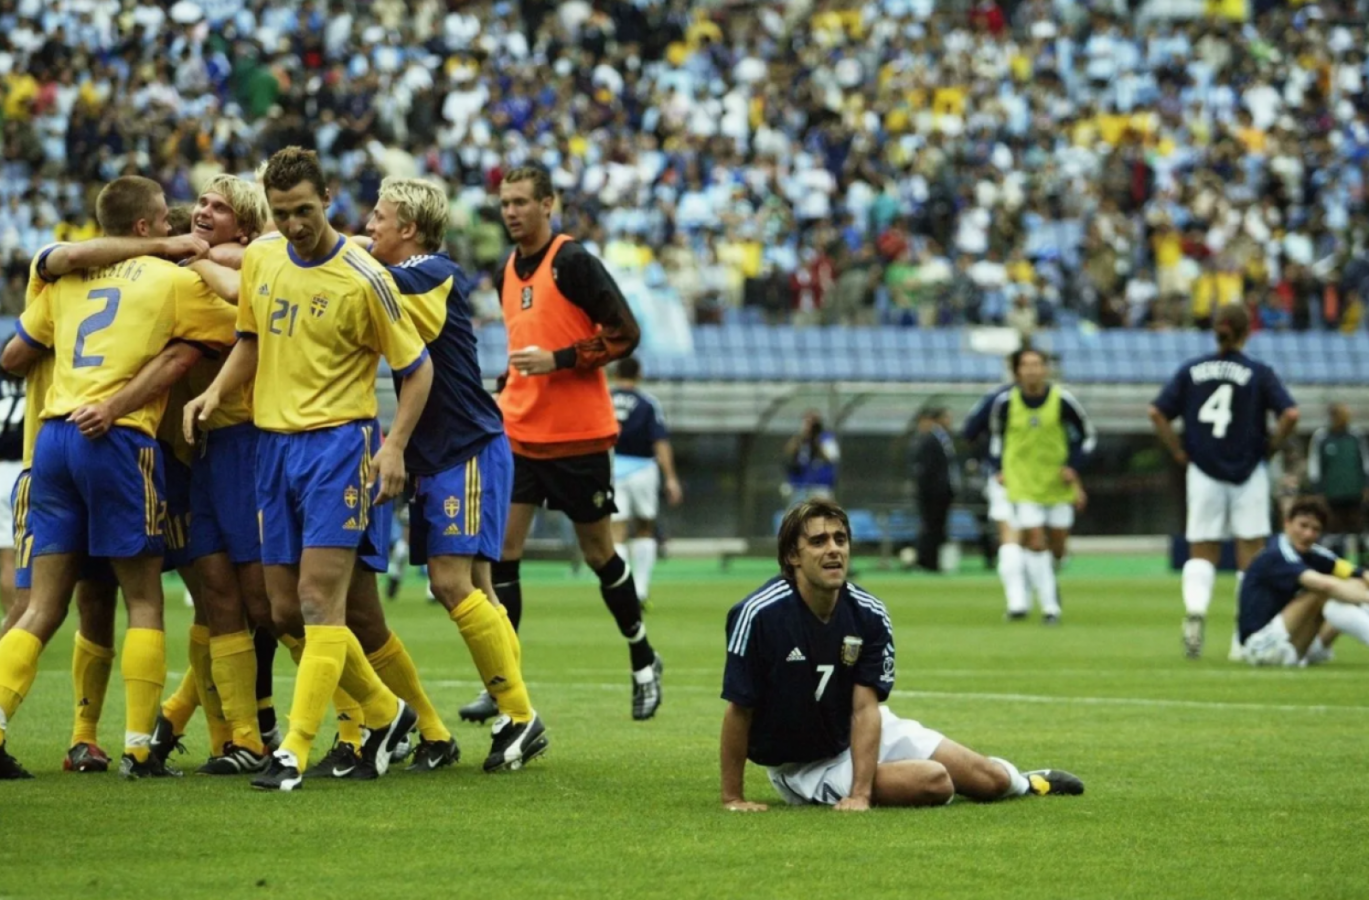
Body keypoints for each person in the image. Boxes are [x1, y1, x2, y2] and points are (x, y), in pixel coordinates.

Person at [184, 147, 434, 791]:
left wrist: (395, 445)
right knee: (281, 611)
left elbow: (416, 369)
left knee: (320, 600)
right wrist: (214, 394)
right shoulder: (265, 256)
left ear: (327, 200)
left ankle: (292, 751)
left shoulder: (364, 275)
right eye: (282, 212)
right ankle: (385, 713)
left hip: (337, 449)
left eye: (303, 210)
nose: (294, 224)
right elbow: (250, 338)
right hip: (271, 450)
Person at [0, 175, 236, 780]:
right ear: (144, 227)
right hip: (117, 438)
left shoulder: (61, 278)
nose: (173, 229)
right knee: (144, 599)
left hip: (51, 437)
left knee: (39, 609)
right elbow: (244, 324)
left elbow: (17, 351)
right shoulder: (173, 279)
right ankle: (137, 746)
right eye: (164, 222)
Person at [718, 498, 1084, 811]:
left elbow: (865, 708)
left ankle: (1026, 782)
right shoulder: (759, 614)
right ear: (793, 556)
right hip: (804, 765)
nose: (833, 549)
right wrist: (732, 798)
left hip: (853, 730)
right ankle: (862, 780)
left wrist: (861, 793)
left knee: (987, 780)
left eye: (840, 539)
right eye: (818, 541)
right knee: (935, 782)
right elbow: (740, 709)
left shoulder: (869, 613)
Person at [460, 165, 661, 724]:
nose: (512, 212)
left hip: (578, 437)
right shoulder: (506, 268)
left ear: (550, 204)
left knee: (600, 554)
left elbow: (625, 333)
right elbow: (527, 344)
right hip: (520, 433)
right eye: (505, 203)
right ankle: (505, 686)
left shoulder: (572, 262)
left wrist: (562, 360)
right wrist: (506, 385)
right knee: (501, 555)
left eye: (523, 201)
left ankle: (643, 657)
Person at [359, 175, 545, 772]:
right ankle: (511, 711)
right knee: (478, 591)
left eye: (378, 217)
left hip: (462, 447)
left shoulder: (432, 272)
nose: (369, 226)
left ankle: (520, 717)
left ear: (408, 229)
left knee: (449, 583)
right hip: (450, 451)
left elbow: (357, 275)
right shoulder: (416, 273)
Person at [1149, 304, 1298, 660]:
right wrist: (1271, 448)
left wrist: (1179, 451)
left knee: (1202, 549)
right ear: (1248, 331)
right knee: (1252, 555)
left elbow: (1157, 412)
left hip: (1203, 469)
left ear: (1215, 329)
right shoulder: (1258, 372)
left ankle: (1196, 611)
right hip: (1248, 470)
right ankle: (1242, 635)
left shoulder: (1192, 370)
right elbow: (1290, 413)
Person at [989, 348, 1095, 624]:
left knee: (1057, 547)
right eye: (1026, 365)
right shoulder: (1006, 403)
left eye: (1037, 364)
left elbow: (1087, 437)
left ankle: (1047, 579)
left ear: (1045, 369)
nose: (1032, 370)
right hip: (1022, 484)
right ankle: (1050, 608)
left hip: (1056, 484)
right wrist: (999, 468)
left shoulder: (1063, 401)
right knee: (1035, 540)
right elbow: (994, 440)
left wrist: (1074, 466)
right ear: (1018, 371)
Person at [1236, 497, 1369, 666]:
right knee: (1324, 591)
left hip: (1290, 643)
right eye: (1303, 525)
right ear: (1287, 523)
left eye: (1315, 529)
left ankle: (1312, 652)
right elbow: (1323, 585)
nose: (1308, 534)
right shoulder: (1276, 553)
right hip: (1260, 646)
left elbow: (1359, 573)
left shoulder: (1315, 553)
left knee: (1352, 585)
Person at [610, 356, 683, 606]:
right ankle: (640, 590)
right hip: (642, 469)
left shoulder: (604, 399)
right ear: (638, 374)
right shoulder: (648, 403)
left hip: (611, 467)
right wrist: (671, 478)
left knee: (616, 531)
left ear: (616, 373)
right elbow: (660, 441)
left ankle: (622, 589)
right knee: (644, 528)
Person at [963, 375, 1027, 616]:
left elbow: (969, 432)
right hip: (1005, 477)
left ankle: (1033, 591)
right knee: (1010, 535)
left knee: (1037, 540)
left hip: (1044, 480)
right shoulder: (999, 399)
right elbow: (969, 430)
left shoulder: (1057, 400)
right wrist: (993, 462)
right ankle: (1017, 601)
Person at [1307, 403, 1369, 560]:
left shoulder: (1356, 436)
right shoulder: (1321, 437)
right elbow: (1314, 466)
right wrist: (1318, 490)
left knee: (1359, 532)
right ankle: (1334, 565)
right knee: (1333, 533)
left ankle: (1363, 566)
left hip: (1355, 493)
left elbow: (1365, 462)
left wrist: (1366, 486)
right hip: (1331, 495)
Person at [911, 406, 958, 573]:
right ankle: (927, 562)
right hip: (933, 493)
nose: (950, 421)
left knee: (938, 527)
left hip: (942, 492)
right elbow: (927, 468)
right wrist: (930, 490)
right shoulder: (930, 439)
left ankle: (933, 561)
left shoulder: (944, 438)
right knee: (931, 526)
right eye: (947, 417)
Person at [784, 411, 840, 501]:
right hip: (800, 485)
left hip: (821, 485)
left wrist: (817, 443)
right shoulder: (801, 439)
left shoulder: (826, 438)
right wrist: (801, 437)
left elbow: (831, 458)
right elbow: (789, 451)